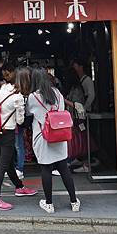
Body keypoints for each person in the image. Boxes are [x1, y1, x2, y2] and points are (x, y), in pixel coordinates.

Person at [26, 67, 80, 214]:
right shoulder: (58, 93)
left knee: (46, 169)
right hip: (60, 135)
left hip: (43, 138)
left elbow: (28, 113)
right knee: (64, 169)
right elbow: (61, 111)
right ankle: (74, 201)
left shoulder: (33, 97)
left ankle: (49, 204)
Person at [0, 66, 37, 211]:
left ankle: (19, 187)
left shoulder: (4, 88)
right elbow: (21, 121)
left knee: (8, 162)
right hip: (8, 133)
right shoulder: (18, 98)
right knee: (3, 165)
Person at [70, 57, 98, 173]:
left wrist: (84, 109)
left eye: (76, 66)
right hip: (80, 114)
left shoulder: (86, 81)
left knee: (84, 137)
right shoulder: (80, 81)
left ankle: (87, 162)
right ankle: (80, 159)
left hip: (84, 114)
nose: (74, 68)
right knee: (81, 136)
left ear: (81, 67)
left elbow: (91, 96)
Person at [2, 62, 26, 179]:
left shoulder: (15, 87)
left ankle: (20, 168)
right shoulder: (13, 87)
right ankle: (15, 169)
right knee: (15, 145)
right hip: (12, 121)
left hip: (14, 121)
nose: (5, 77)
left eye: (7, 75)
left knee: (18, 145)